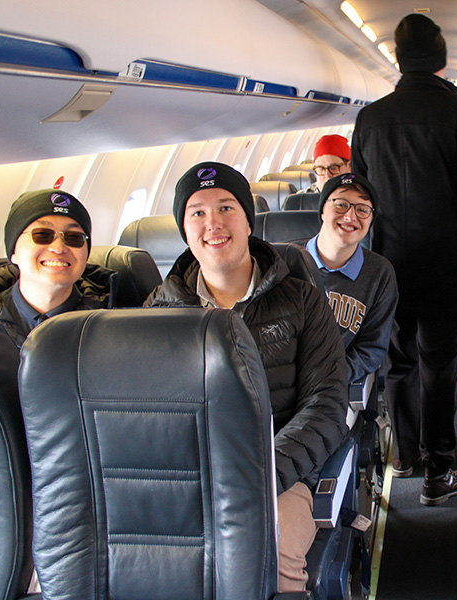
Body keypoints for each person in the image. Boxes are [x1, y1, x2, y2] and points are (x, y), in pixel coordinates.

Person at [143, 162, 348, 592]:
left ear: (248, 220)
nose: (212, 223)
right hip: (188, 476)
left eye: (226, 208)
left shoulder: (301, 299)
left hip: (277, 476)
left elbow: (326, 404)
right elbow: (146, 416)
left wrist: (261, 472)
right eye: (197, 213)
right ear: (184, 229)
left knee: (268, 559)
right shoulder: (157, 312)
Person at [351, 13, 457, 505]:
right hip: (447, 266)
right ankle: (439, 472)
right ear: (442, 60)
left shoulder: (370, 118)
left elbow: (358, 197)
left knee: (398, 363)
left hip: (388, 263)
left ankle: (403, 455)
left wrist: (372, 257)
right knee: (440, 366)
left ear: (398, 60)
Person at [0, 189, 115, 346]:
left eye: (74, 238)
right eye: (42, 235)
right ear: (13, 251)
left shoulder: (114, 320)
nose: (58, 248)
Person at [305, 173, 398, 384]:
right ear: (322, 211)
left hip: (332, 386)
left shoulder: (379, 273)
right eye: (340, 204)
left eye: (362, 209)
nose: (350, 216)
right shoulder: (287, 260)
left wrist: (330, 378)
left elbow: (371, 349)